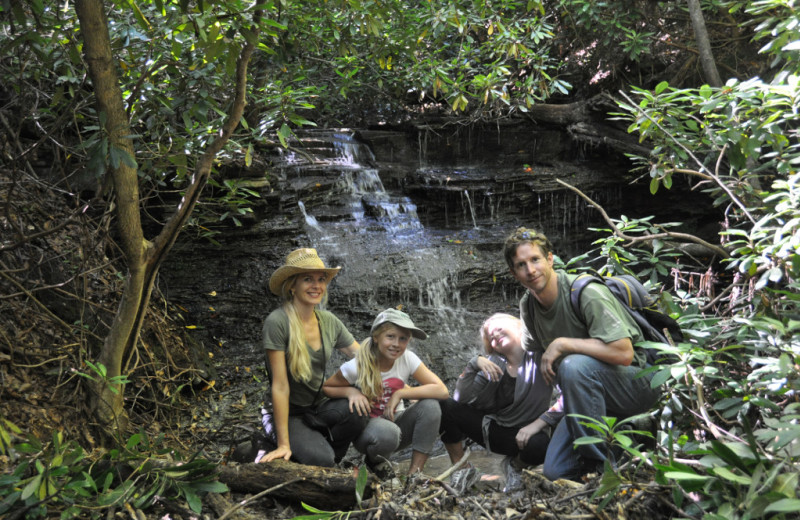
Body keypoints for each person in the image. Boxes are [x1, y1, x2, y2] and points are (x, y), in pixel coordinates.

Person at [503, 227, 662, 481]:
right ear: (514, 273)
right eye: (521, 265)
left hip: (641, 383)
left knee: (572, 365)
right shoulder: (529, 306)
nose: (530, 270)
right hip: (587, 397)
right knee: (556, 471)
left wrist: (564, 344)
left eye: (535, 260)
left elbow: (624, 353)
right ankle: (625, 443)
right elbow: (534, 365)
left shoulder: (584, 292)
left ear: (550, 259)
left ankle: (599, 469)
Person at [258, 248, 367, 467]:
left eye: (321, 279)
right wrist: (284, 445)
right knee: (320, 459)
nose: (316, 286)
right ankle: (297, 450)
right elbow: (279, 387)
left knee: (359, 411)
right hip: (289, 414)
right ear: (292, 285)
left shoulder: (328, 320)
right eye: (307, 279)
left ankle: (328, 459)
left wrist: (401, 380)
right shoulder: (277, 322)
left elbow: (364, 357)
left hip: (319, 407)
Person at [439, 313, 560, 493]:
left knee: (541, 445)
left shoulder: (542, 356)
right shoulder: (493, 364)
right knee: (445, 405)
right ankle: (461, 469)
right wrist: (473, 364)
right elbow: (460, 399)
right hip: (495, 430)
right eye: (490, 337)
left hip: (527, 433)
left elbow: (568, 395)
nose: (494, 335)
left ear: (519, 328)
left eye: (498, 329)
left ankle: (515, 466)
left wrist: (537, 424)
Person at [323, 308, 449, 478]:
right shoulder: (358, 364)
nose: (396, 344)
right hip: (368, 431)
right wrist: (352, 392)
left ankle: (415, 475)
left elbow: (442, 390)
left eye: (403, 339)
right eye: (390, 336)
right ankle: (376, 463)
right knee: (389, 432)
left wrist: (400, 394)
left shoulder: (408, 358)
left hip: (399, 422)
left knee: (431, 406)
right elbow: (327, 387)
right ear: (376, 337)